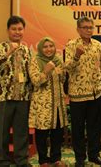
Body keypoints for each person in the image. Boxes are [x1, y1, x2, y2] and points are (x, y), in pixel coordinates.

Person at [0, 15, 32, 166]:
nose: (17, 32)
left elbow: (30, 74)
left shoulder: (27, 50)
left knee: (21, 131)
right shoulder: (0, 48)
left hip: (23, 97)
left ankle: (21, 160)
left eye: (20, 29)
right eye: (14, 29)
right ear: (8, 31)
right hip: (3, 97)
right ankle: (2, 160)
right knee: (2, 132)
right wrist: (8, 53)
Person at [65, 17, 101, 167]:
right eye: (85, 27)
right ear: (78, 29)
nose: (88, 30)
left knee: (95, 126)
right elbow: (67, 67)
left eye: (90, 27)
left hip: (96, 92)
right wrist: (76, 55)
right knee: (78, 127)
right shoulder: (71, 45)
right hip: (78, 94)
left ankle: (94, 155)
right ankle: (80, 158)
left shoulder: (98, 45)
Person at [29, 37, 69, 167]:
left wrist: (62, 71)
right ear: (40, 48)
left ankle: (55, 158)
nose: (48, 49)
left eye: (51, 46)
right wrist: (45, 71)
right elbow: (35, 82)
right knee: (42, 133)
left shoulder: (58, 60)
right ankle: (43, 160)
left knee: (57, 132)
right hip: (43, 104)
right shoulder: (35, 61)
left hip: (58, 103)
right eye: (45, 47)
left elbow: (62, 79)